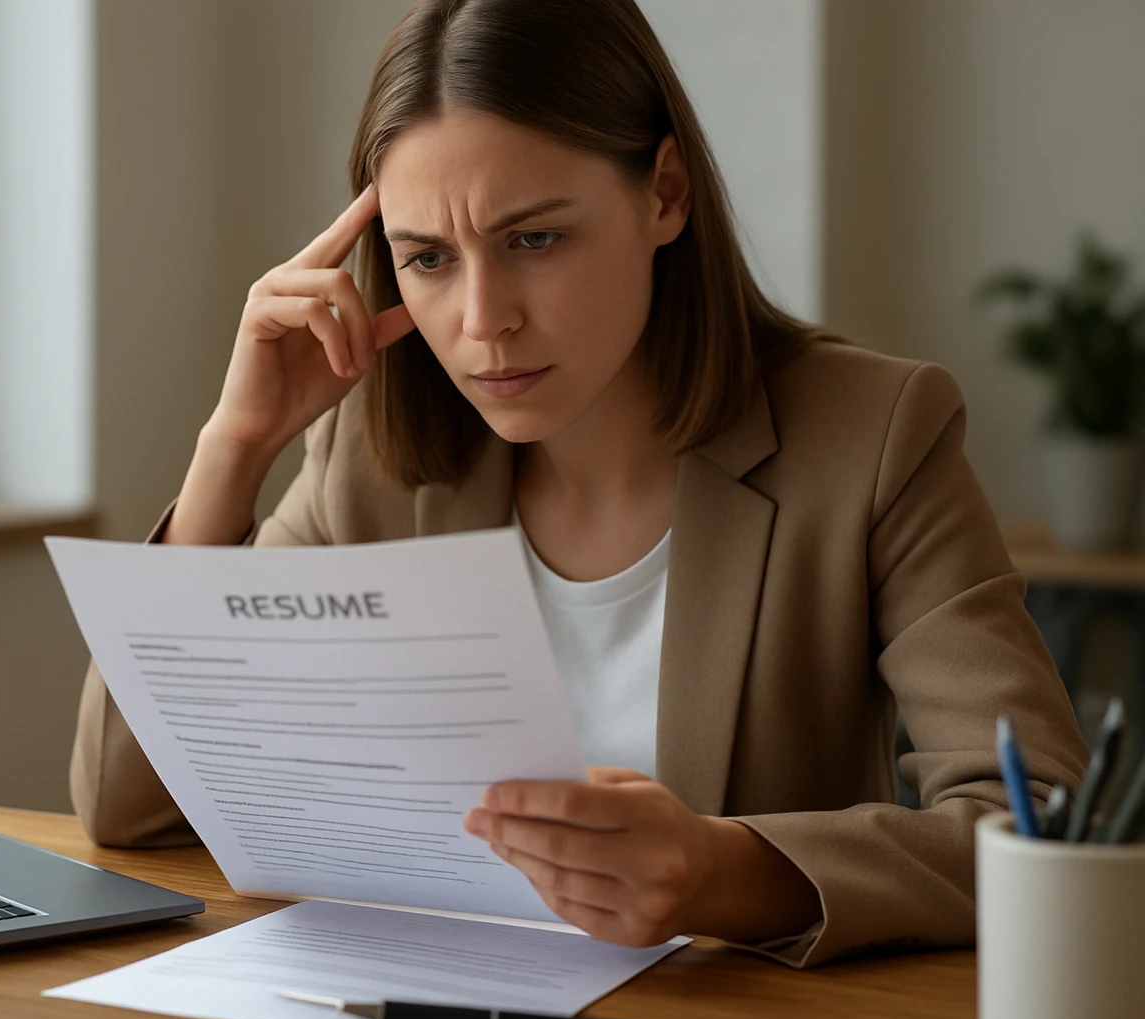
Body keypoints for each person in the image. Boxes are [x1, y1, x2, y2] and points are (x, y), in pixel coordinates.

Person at [69, 0, 1087, 967]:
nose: (482, 320)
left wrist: (722, 872)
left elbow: (1043, 821)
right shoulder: (371, 455)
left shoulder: (874, 438)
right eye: (426, 258)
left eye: (534, 239)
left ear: (665, 193)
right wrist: (233, 445)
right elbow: (129, 806)